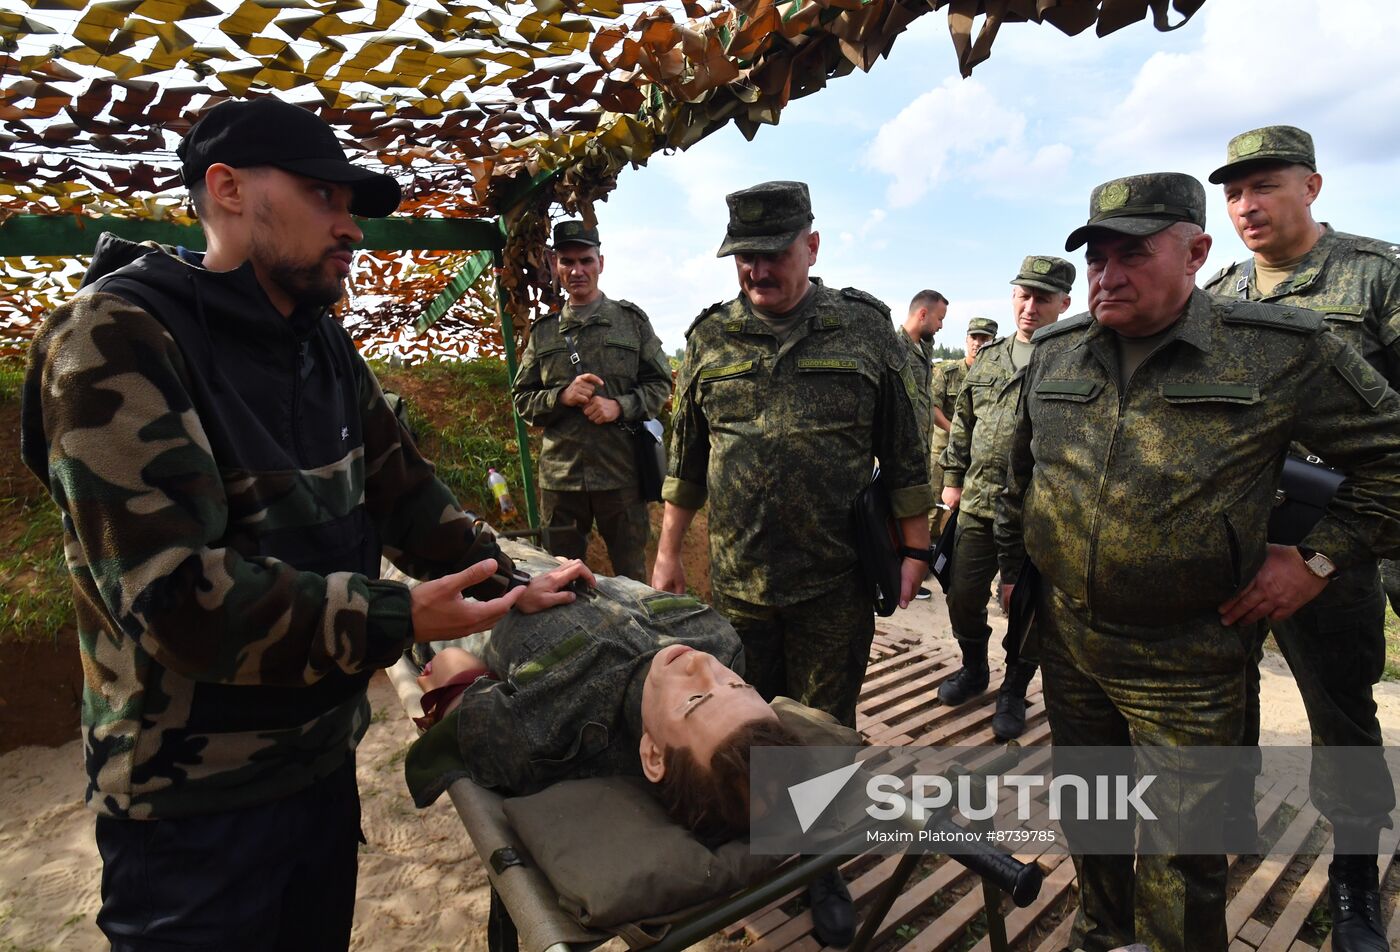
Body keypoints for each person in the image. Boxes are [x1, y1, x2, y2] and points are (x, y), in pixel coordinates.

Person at [19, 97, 592, 952]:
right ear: (227, 189)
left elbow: (407, 496)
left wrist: (511, 581)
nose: (351, 228)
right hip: (191, 809)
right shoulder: (116, 337)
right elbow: (175, 598)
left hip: (319, 769)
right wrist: (401, 617)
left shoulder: (319, 345)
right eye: (327, 197)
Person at [996, 171, 1400, 952]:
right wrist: (1019, 568)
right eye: (1097, 259)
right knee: (1095, 813)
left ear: (1195, 252)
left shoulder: (1277, 351)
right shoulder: (1056, 353)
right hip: (1073, 645)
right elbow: (1024, 474)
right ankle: (1100, 932)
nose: (1107, 276)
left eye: (1132, 255)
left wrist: (1318, 560)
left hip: (1187, 653)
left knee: (1183, 855)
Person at [651, 179, 933, 944]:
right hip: (739, 583)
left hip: (832, 584)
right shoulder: (709, 339)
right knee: (743, 721)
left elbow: (906, 454)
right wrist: (669, 555)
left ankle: (819, 864)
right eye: (744, 257)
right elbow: (686, 463)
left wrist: (914, 549)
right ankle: (758, 837)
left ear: (812, 245)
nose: (757, 271)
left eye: (772, 254)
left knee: (822, 727)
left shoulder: (866, 331)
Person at [1203, 126, 1400, 951]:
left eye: (1265, 187)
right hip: (1232, 537)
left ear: (1311, 187)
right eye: (1234, 193)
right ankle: (1230, 818)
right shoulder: (1213, 291)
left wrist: (1326, 556)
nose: (1248, 206)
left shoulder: (1376, 276)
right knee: (1223, 692)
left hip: (1333, 541)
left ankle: (1353, 879)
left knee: (1342, 714)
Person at [404, 551, 808, 845]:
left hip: (455, 581)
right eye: (737, 685)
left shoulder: (547, 731)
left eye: (695, 699)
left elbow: (455, 687)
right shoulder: (722, 642)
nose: (704, 666)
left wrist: (455, 678)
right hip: (537, 559)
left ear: (653, 755)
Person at [938, 257, 1072, 740]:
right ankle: (974, 667)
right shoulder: (989, 358)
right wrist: (952, 478)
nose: (1029, 307)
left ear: (1064, 303)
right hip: (977, 503)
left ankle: (1014, 689)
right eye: (1023, 295)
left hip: (1039, 514)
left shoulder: (1071, 357)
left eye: (1042, 298)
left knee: (1028, 608)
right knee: (961, 596)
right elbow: (964, 422)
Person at [511, 221, 673, 581]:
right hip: (562, 480)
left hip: (621, 477)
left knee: (633, 580)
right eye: (567, 262)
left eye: (586, 260)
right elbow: (522, 399)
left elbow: (661, 383)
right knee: (559, 581)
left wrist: (620, 406)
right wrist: (561, 396)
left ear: (601, 262)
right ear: (555, 265)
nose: (577, 270)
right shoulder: (544, 333)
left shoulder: (630, 323)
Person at [899, 289, 948, 599]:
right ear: (922, 314)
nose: (942, 326)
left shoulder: (921, 348)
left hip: (920, 446)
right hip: (901, 450)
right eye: (940, 318)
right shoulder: (896, 348)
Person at [929, 317, 996, 528]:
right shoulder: (948, 373)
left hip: (979, 458)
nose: (977, 343)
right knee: (933, 508)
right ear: (966, 340)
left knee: (967, 513)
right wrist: (958, 432)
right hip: (944, 452)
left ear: (993, 342)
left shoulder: (997, 376)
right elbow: (932, 408)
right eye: (974, 337)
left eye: (984, 338)